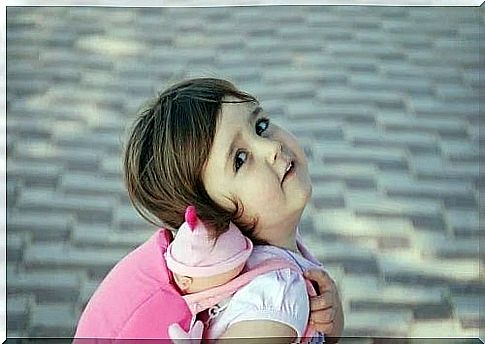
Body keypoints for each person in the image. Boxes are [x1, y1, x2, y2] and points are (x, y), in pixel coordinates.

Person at [123, 78, 344, 343]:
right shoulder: (275, 298)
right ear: (210, 214)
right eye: (240, 159)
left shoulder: (271, 268)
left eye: (260, 127)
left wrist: (330, 316)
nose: (272, 148)